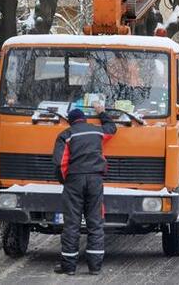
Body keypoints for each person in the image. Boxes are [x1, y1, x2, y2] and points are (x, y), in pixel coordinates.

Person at [52, 103, 117, 276]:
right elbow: (111, 128)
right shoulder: (96, 131)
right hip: (95, 180)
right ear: (84, 119)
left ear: (70, 122)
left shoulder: (66, 135)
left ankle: (69, 267)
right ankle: (95, 267)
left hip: (74, 180)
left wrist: (65, 182)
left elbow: (60, 163)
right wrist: (102, 113)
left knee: (72, 224)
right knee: (95, 223)